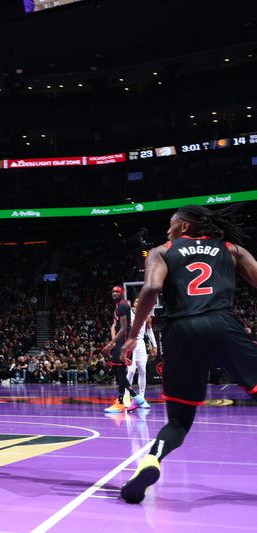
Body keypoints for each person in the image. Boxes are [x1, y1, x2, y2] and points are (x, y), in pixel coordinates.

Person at [120, 205, 257, 503]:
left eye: (170, 223)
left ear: (183, 226)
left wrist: (133, 335)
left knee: (179, 422)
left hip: (179, 330)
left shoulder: (163, 250)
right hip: (221, 323)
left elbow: (152, 287)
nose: (167, 229)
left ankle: (150, 461)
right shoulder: (232, 249)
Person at [102, 286, 147, 413]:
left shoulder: (122, 306)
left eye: (117, 292)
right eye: (113, 291)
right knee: (120, 372)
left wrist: (112, 343)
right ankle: (126, 400)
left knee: (120, 372)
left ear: (122, 293)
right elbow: (115, 326)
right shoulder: (120, 306)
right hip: (121, 342)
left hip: (123, 343)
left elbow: (123, 328)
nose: (115, 293)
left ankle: (131, 399)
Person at [126, 297, 156, 405]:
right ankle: (126, 396)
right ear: (133, 303)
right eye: (136, 301)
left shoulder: (147, 316)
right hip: (129, 343)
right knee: (131, 371)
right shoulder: (128, 313)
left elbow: (150, 331)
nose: (138, 303)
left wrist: (155, 346)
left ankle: (142, 398)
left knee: (143, 370)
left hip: (141, 343)